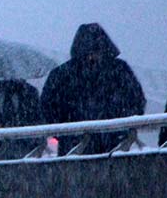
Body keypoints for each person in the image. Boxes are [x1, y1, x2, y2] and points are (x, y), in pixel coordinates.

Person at [40, 23, 146, 155]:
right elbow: (136, 101)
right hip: (114, 145)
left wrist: (66, 132)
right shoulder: (120, 70)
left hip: (75, 148)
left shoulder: (61, 74)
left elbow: (47, 108)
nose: (92, 57)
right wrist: (121, 128)